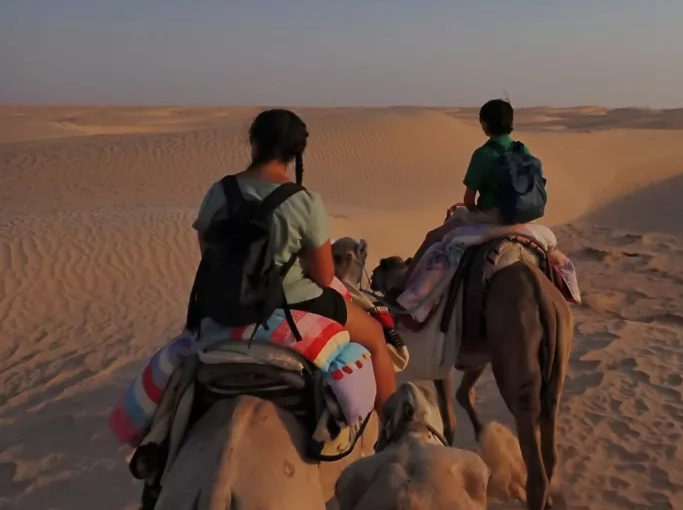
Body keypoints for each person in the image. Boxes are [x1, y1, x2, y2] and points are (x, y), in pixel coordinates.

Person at [191, 108, 396, 414]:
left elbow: (208, 251)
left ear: (254, 141)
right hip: (294, 302)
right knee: (377, 339)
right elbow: (324, 277)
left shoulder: (221, 191)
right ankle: (394, 431)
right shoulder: (303, 201)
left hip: (224, 302)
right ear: (295, 152)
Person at [409, 99, 531, 266]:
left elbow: (469, 200)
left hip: (491, 218)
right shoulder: (523, 150)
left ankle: (404, 284)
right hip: (522, 217)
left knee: (432, 237)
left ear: (485, 124)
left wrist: (470, 209)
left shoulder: (483, 154)